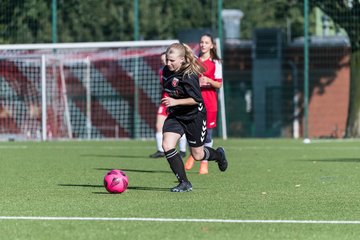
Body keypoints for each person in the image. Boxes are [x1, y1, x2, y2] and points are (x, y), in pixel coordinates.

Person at [161, 42, 228, 192]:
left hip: (194, 116)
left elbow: (197, 100)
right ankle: (184, 183)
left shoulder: (188, 75)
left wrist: (174, 101)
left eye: (172, 60)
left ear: (182, 60)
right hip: (177, 115)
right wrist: (172, 103)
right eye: (167, 59)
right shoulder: (166, 71)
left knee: (198, 155)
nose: (168, 63)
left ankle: (219, 155)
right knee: (167, 145)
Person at [185, 33, 223, 174]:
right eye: (201, 42)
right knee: (192, 130)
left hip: (210, 102)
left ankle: (204, 162)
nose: (203, 45)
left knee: (207, 134)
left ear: (212, 45)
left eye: (206, 42)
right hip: (194, 101)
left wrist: (208, 80)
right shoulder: (194, 61)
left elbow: (219, 84)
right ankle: (193, 154)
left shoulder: (216, 63)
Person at [149, 52, 187, 158]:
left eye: (166, 59)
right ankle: (160, 150)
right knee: (158, 126)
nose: (165, 62)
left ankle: (183, 150)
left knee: (180, 126)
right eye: (163, 60)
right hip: (165, 102)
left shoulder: (179, 72)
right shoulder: (162, 71)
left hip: (176, 102)